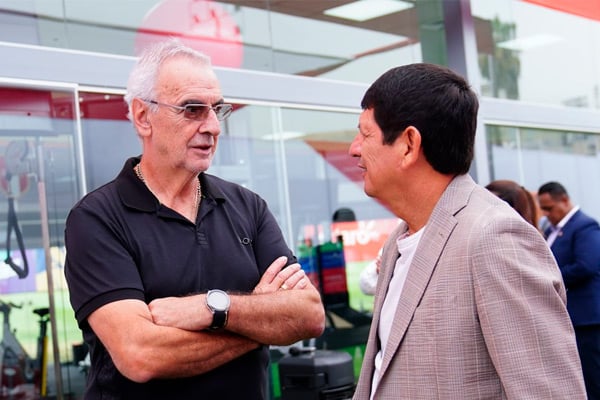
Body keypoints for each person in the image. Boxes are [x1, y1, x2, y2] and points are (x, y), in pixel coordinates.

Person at [63, 39, 325, 400]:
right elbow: (141, 354)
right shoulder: (97, 218)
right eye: (192, 109)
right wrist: (260, 322)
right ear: (143, 117)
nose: (213, 126)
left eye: (217, 109)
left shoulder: (247, 207)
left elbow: (309, 315)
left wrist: (211, 308)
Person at [348, 63, 586, 399]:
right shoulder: (398, 241)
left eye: (365, 134)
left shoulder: (495, 237)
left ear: (408, 144)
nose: (354, 148)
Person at [537, 181, 600, 399]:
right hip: (569, 317)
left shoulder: (584, 226)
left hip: (587, 319)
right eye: (543, 209)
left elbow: (586, 265)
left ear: (564, 200)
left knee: (592, 377)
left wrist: (547, 277)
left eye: (549, 208)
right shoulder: (551, 230)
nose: (546, 214)